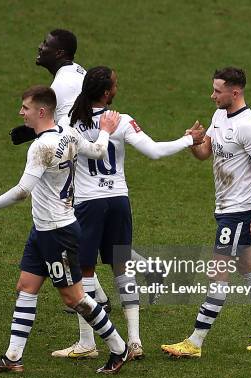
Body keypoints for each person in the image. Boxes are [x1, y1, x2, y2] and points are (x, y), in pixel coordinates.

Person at [0, 85, 130, 374]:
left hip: (58, 233)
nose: (21, 113)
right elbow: (96, 151)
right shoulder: (68, 133)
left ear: (41, 111)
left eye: (25, 108)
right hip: (43, 230)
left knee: (75, 298)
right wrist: (105, 129)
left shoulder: (41, 147)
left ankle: (119, 349)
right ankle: (13, 357)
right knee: (26, 287)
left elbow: (22, 191)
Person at [50, 66, 205, 360]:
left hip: (88, 205)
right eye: (116, 84)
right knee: (122, 267)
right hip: (119, 201)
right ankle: (135, 341)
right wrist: (189, 139)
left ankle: (87, 343)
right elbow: (155, 152)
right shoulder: (121, 121)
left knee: (83, 274)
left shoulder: (68, 122)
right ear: (108, 93)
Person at [161, 67, 251, 358]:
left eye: (217, 91)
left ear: (235, 92)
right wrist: (194, 141)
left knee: (218, 274)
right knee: (247, 267)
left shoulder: (250, 126)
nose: (212, 95)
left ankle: (194, 342)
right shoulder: (220, 115)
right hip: (225, 208)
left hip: (239, 212)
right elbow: (206, 152)